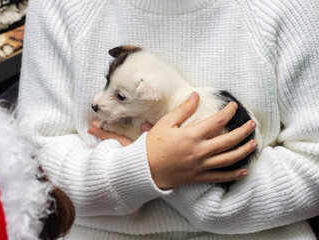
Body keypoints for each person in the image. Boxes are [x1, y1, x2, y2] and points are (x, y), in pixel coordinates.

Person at [17, 0, 319, 239]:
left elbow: (312, 163)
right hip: (96, 230)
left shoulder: (290, 7)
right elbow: (32, 161)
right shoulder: (61, 6)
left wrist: (196, 192)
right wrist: (141, 168)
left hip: (261, 232)